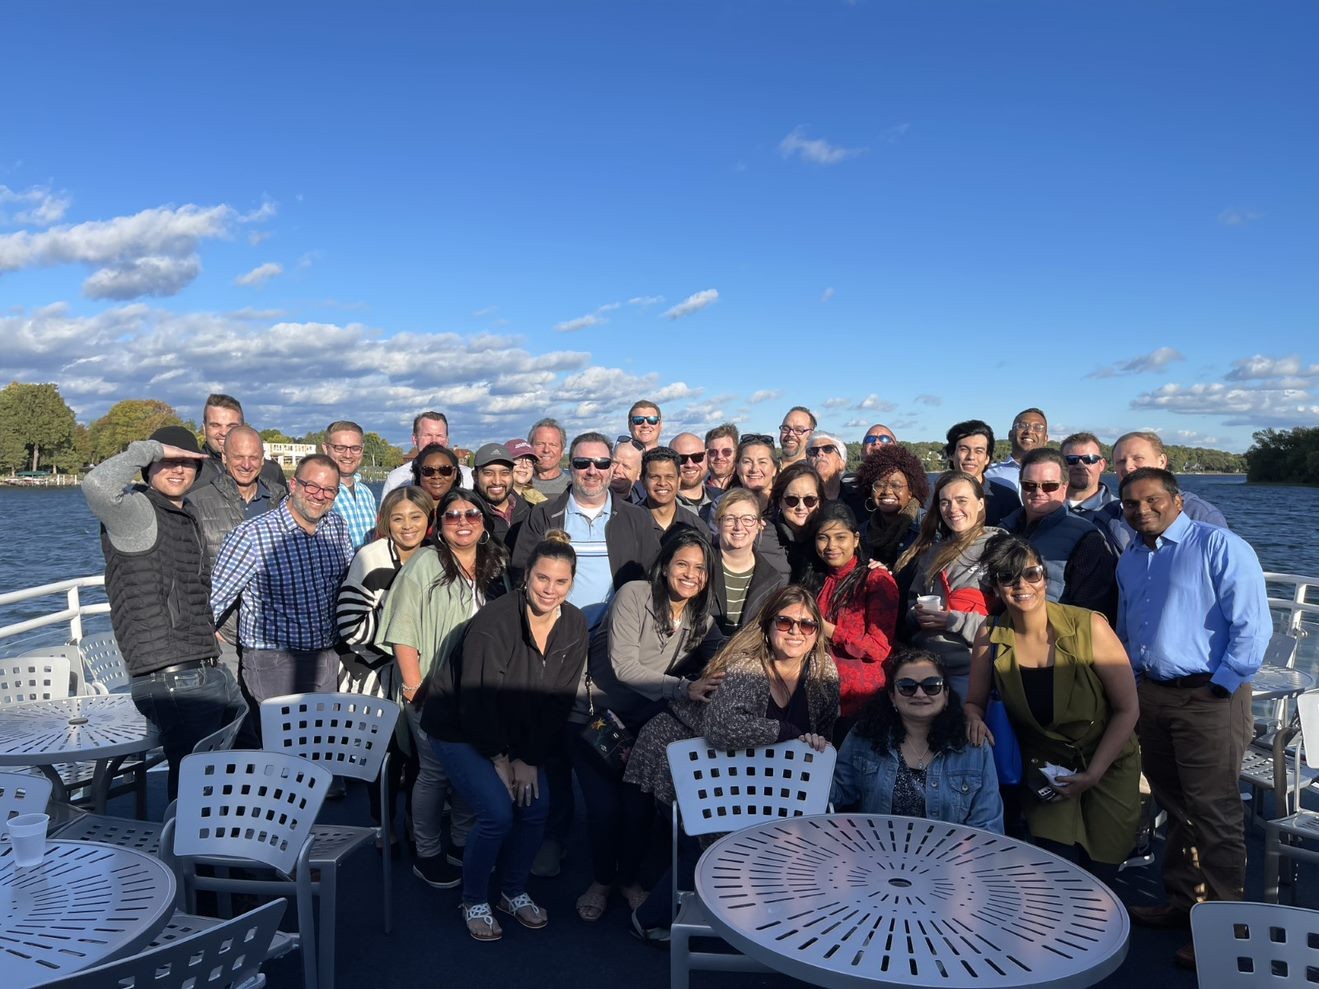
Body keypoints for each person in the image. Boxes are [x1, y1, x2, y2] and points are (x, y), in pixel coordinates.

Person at [1115, 467, 1270, 969]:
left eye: (1153, 499)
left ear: (1177, 500)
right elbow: (1130, 624)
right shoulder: (1133, 557)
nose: (1142, 510)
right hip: (1154, 696)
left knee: (1215, 812)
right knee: (1174, 806)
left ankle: (1231, 930)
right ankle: (1184, 903)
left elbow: (1252, 626)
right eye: (1132, 504)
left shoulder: (1220, 546)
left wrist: (1222, 685)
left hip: (1209, 696)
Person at [622, 585, 839, 937]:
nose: (796, 632)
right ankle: (650, 918)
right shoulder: (748, 667)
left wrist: (810, 742)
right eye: (784, 622)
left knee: (752, 835)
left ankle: (753, 914)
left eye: (807, 624)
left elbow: (822, 731)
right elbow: (722, 729)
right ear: (768, 626)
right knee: (712, 835)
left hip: (751, 763)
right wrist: (786, 730)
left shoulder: (823, 672)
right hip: (686, 748)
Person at [420, 532, 588, 941]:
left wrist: (527, 759)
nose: (549, 589)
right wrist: (500, 758)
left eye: (560, 581)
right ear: (526, 575)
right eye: (542, 578)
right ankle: (474, 897)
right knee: (496, 811)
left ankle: (512, 891)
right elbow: (477, 703)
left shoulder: (575, 624)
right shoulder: (494, 623)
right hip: (460, 728)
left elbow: (557, 700)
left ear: (571, 583)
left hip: (517, 733)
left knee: (536, 805)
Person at [509, 431, 661, 875]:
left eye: (600, 463)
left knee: (608, 743)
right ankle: (555, 833)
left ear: (614, 467)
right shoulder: (545, 515)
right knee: (553, 742)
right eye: (582, 464)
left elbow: (653, 580)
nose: (591, 472)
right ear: (570, 467)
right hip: (557, 644)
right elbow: (523, 574)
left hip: (614, 650)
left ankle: (617, 849)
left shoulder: (635, 519)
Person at [964, 534, 1141, 879]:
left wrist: (1092, 775)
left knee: (1102, 870)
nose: (1021, 585)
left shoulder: (1089, 626)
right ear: (996, 586)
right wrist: (973, 717)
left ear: (1045, 577)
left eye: (1031, 574)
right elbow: (974, 701)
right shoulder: (991, 633)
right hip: (1046, 770)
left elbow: (1127, 709)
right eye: (1008, 577)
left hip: (1106, 762)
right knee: (1055, 867)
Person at [83, 425, 246, 798]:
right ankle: (189, 854)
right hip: (170, 677)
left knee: (241, 752)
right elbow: (96, 486)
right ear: (149, 467)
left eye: (187, 463)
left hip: (206, 664)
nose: (178, 470)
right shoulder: (137, 512)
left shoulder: (185, 513)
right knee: (197, 779)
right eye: (167, 462)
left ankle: (223, 847)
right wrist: (149, 448)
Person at [572, 528, 725, 922]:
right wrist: (685, 688)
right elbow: (624, 667)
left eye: (700, 568)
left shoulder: (700, 618)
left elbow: (726, 656)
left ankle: (629, 880)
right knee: (605, 809)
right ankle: (601, 882)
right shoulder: (634, 595)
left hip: (644, 721)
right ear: (665, 566)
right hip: (596, 715)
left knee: (638, 807)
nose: (691, 574)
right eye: (682, 564)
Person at [379, 488, 511, 890]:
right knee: (434, 774)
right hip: (433, 689)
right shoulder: (425, 562)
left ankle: (459, 841)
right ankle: (429, 851)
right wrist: (414, 685)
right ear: (441, 524)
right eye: (453, 515)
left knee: (472, 772)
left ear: (484, 521)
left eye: (472, 514)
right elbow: (403, 629)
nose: (463, 522)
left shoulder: (496, 565)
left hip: (480, 695)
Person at [210, 454, 354, 707]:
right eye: (312, 486)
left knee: (321, 743)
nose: (319, 495)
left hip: (326, 658)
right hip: (274, 663)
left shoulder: (337, 527)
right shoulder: (251, 536)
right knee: (278, 745)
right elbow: (213, 602)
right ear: (294, 485)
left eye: (329, 490)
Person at [334, 485, 435, 835]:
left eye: (416, 516)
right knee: (385, 757)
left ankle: (414, 822)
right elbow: (350, 625)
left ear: (429, 519)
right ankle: (384, 827)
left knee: (421, 758)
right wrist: (407, 635)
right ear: (386, 522)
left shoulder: (435, 557)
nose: (408, 525)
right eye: (398, 518)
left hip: (418, 672)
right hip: (372, 675)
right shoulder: (370, 558)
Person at [832, 649, 1003, 831]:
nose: (920, 694)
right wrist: (810, 759)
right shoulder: (864, 736)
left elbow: (988, 825)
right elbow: (836, 793)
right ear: (892, 696)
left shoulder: (973, 745)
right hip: (876, 854)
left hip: (949, 857)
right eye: (907, 686)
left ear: (946, 694)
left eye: (932, 685)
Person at [187, 425, 288, 682]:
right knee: (234, 712)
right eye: (238, 457)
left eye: (253, 457)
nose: (246, 464)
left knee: (271, 714)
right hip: (225, 635)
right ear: (224, 457)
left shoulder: (281, 501)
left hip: (273, 635)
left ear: (262, 459)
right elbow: (187, 570)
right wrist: (209, 624)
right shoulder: (196, 503)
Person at [895, 471, 1001, 701]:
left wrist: (954, 620)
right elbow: (912, 602)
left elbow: (1014, 621)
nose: (952, 509)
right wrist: (917, 613)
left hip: (972, 672)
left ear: (980, 503)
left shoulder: (1000, 548)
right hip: (928, 671)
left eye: (962, 500)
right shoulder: (933, 552)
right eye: (945, 502)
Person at [801, 503, 900, 726]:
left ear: (856, 539)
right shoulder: (816, 580)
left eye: (840, 537)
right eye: (823, 537)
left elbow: (878, 648)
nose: (831, 546)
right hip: (817, 698)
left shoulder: (875, 580)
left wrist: (830, 631)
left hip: (861, 702)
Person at [1001, 448, 1118, 623]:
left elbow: (1092, 612)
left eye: (1049, 486)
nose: (1038, 492)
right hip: (1003, 636)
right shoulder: (1003, 530)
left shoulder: (1087, 539)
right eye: (1029, 485)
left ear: (1064, 488)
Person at [1092, 431, 1230, 551]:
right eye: (1121, 461)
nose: (1128, 466)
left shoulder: (1200, 514)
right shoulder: (1107, 517)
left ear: (1162, 461)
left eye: (1137, 458)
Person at [709, 489, 787, 635]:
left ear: (759, 525)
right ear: (718, 524)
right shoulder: (701, 567)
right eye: (730, 518)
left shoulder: (773, 580)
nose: (738, 526)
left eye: (747, 519)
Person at [854, 443, 929, 569]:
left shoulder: (927, 527)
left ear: (910, 492)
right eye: (879, 485)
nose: (887, 491)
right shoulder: (862, 533)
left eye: (896, 485)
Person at [192, 392, 285, 491]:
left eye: (231, 426)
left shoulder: (270, 471)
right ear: (204, 428)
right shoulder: (191, 470)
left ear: (243, 427)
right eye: (215, 425)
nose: (224, 432)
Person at [381, 411, 474, 498]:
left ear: (447, 440)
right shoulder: (397, 478)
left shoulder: (467, 477)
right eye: (428, 435)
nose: (434, 441)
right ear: (414, 439)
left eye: (439, 436)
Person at [944, 418, 1018, 525]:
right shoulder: (932, 496)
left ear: (987, 458)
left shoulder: (1007, 499)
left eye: (979, 451)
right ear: (951, 454)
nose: (971, 457)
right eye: (964, 449)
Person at [322, 419, 378, 550]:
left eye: (355, 448)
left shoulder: (366, 493)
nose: (348, 455)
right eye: (340, 448)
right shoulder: (315, 492)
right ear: (326, 448)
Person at [765, 461, 825, 578]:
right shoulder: (762, 536)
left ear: (819, 502)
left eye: (809, 500)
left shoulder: (828, 534)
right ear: (780, 502)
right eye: (792, 500)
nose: (801, 507)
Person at [471, 443, 529, 549]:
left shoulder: (530, 511)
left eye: (505, 473)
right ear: (475, 476)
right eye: (488, 473)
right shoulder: (466, 515)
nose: (497, 481)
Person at [983, 408, 1048, 498]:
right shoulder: (986, 474)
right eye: (1022, 425)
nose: (1029, 431)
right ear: (1010, 435)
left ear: (1046, 439)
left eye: (1038, 427)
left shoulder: (1056, 476)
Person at [640, 446, 703, 537]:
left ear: (679, 481)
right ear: (643, 481)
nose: (662, 483)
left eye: (669, 477)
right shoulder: (628, 522)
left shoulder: (697, 526)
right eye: (655, 477)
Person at [411, 443, 462, 536]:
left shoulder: (469, 508)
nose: (437, 476)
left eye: (445, 470)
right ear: (419, 474)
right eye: (428, 471)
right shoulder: (402, 508)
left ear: (454, 473)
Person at [1061, 432, 1115, 513]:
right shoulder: (1044, 508)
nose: (1080, 466)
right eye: (1071, 459)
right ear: (1060, 464)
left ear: (1102, 465)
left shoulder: (1120, 512)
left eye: (1089, 459)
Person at [671, 432, 714, 513]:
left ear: (706, 457)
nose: (690, 465)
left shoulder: (723, 499)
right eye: (681, 459)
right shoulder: (660, 506)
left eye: (697, 457)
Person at [529, 417, 570, 495]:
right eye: (540, 444)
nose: (546, 450)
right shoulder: (516, 487)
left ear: (562, 451)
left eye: (553, 445)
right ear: (530, 447)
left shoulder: (574, 489)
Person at [506, 438, 547, 506]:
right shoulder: (495, 499)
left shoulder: (537, 500)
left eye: (529, 461)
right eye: (518, 460)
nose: (524, 465)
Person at [608, 437, 645, 505]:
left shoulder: (644, 508)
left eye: (626, 466)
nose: (617, 470)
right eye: (614, 463)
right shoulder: (589, 500)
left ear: (639, 474)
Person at [703, 423, 739, 492]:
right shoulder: (698, 493)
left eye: (726, 452)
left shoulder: (747, 488)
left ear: (736, 453)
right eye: (713, 452)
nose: (719, 457)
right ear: (706, 454)